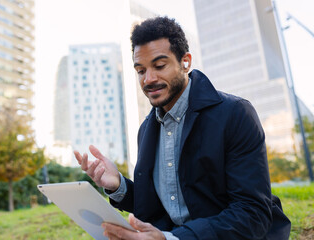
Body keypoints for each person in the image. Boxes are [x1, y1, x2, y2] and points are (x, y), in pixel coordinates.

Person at [74, 16, 291, 239]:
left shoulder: (235, 114)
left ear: (185, 62)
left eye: (159, 66)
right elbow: (162, 202)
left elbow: (252, 213)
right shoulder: (146, 129)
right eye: (140, 70)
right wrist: (118, 184)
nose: (148, 79)